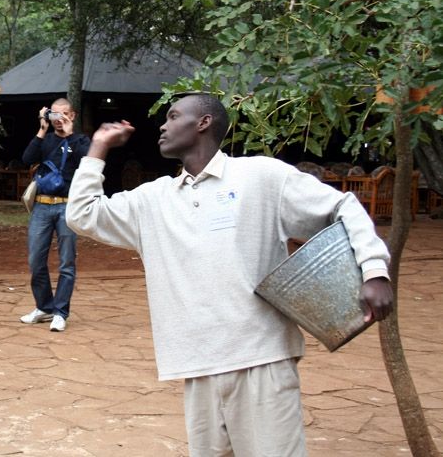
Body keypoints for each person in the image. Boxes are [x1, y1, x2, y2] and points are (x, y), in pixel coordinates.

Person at [65, 93, 393, 455]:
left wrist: (374, 270)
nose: (163, 125)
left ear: (203, 123)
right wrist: (97, 148)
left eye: (173, 116)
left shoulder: (261, 176)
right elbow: (82, 215)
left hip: (262, 359)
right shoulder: (153, 201)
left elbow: (342, 206)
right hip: (198, 365)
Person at [20, 98, 91, 332]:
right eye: (55, 115)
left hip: (67, 206)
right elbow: (27, 159)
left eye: (65, 115)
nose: (60, 119)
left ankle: (60, 312)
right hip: (42, 205)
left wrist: (70, 136)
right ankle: (44, 307)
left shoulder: (81, 141)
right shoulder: (46, 139)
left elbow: (88, 164)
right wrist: (42, 128)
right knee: (35, 260)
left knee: (67, 262)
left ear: (73, 115)